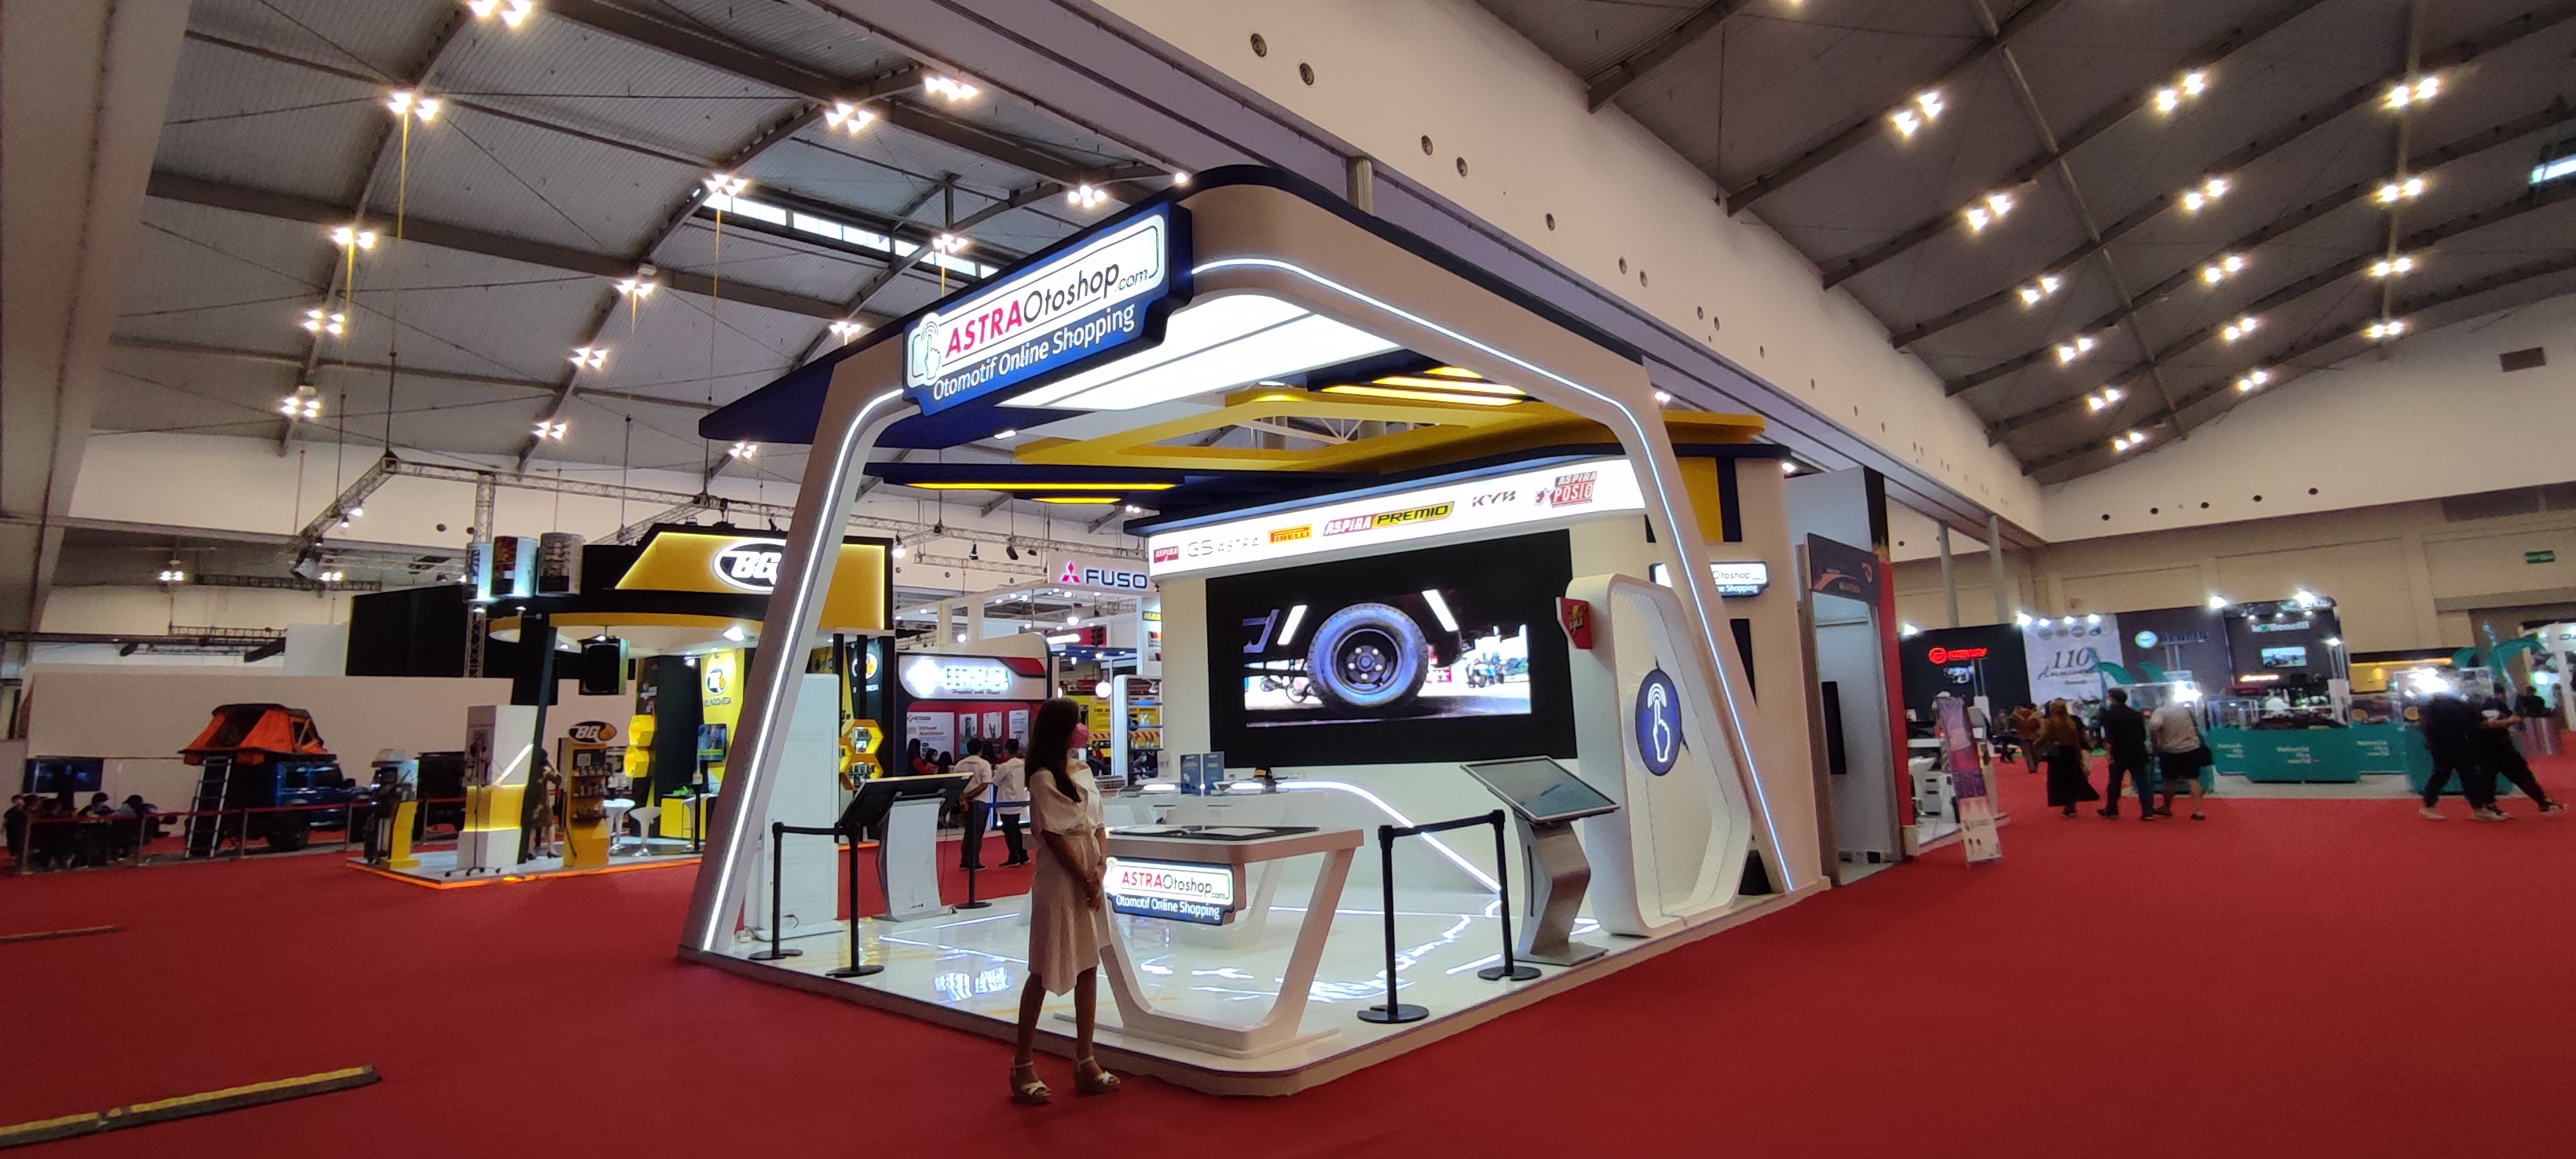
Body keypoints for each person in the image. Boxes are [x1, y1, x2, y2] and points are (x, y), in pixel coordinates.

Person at [1008, 697, 1119, 1105]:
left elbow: (1099, 823)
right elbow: (1054, 836)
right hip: (1060, 878)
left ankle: (1085, 1059)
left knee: (1089, 964)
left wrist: (1100, 867)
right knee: (1043, 967)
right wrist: (1083, 875)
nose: (1082, 729)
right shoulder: (1042, 778)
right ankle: (1022, 1064)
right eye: (1076, 723)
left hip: (1089, 871)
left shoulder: (1083, 771)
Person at [2418, 690, 2503, 821]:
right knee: (2469, 776)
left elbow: (2427, 728)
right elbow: (2477, 724)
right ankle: (2478, 808)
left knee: (2441, 775)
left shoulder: (2431, 710)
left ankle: (2429, 804)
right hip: (2461, 745)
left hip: (2440, 746)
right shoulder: (2463, 708)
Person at [2476, 693, 2563, 816]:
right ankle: (2542, 801)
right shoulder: (2492, 707)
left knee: (2495, 777)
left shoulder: (2488, 708)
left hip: (2495, 748)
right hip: (2496, 749)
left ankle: (2542, 800)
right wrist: (2509, 721)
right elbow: (2489, 724)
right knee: (2503, 776)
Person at [2095, 688, 2155, 821]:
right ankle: (2148, 810)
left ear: (2112, 699)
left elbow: (2107, 734)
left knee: (2115, 781)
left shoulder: (2109, 714)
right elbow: (2143, 734)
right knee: (2142, 782)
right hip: (2137, 750)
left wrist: (2108, 751)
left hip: (2118, 751)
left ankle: (2112, 809)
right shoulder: (2136, 714)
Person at [2149, 697, 2212, 821]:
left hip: (2170, 750)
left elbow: (2154, 727)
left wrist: (2155, 746)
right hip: (2191, 748)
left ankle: (2167, 807)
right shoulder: (2185, 710)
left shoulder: (2160, 711)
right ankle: (2198, 811)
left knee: (2169, 780)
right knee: (2192, 779)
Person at [2037, 700, 2097, 816]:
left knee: (2059, 780)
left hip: (2057, 755)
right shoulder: (2071, 722)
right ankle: (2072, 804)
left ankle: (2065, 803)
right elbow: (2076, 740)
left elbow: (2045, 737)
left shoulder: (2051, 723)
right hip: (2070, 753)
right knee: (2072, 779)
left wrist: (2037, 744)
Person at [953, 739, 995, 869]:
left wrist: (963, 798)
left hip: (965, 802)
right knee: (977, 833)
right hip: (981, 801)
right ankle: (973, 861)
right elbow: (985, 784)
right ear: (981, 749)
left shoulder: (960, 764)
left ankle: (965, 859)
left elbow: (956, 784)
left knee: (969, 831)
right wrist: (969, 796)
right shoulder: (984, 764)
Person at [992, 738, 1030, 867]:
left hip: (1006, 801)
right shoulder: (1022, 764)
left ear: (1006, 751)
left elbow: (995, 781)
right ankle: (1023, 854)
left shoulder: (1005, 766)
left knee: (1009, 830)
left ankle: (1014, 856)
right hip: (1018, 800)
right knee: (1016, 829)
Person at [2010, 704, 2044, 769]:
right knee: (2034, 751)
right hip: (2033, 735)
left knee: (2027, 753)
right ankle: (2035, 764)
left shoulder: (2016, 715)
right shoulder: (2034, 714)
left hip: (2022, 735)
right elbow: (2038, 724)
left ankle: (2031, 767)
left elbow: (2012, 723)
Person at [4, 795, 29, 867]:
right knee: (13, 845)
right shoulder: (11, 812)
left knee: (21, 845)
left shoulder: (26, 811)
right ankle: (15, 860)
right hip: (13, 830)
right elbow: (6, 820)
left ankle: (21, 861)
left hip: (22, 830)